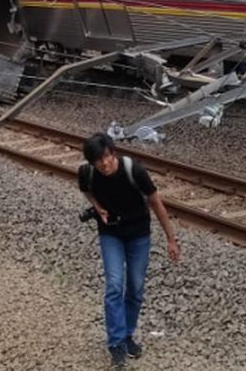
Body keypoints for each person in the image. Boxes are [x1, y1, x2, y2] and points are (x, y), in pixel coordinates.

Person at [78, 133, 181, 369]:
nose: (104, 164)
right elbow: (85, 189)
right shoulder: (87, 173)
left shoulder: (133, 171)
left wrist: (171, 239)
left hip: (138, 234)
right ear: (91, 162)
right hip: (111, 233)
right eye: (98, 160)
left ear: (113, 152)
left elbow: (156, 202)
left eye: (106, 157)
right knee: (114, 285)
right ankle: (116, 345)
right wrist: (98, 207)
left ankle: (127, 334)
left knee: (135, 286)